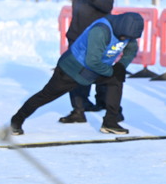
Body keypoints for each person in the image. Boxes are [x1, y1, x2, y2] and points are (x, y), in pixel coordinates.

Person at [10, 12, 144, 136]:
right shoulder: (100, 31)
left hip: (94, 71)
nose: (125, 39)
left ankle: (110, 122)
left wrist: (120, 66)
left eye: (128, 38)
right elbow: (92, 62)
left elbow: (132, 49)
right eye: (123, 37)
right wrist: (111, 71)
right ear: (120, 28)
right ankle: (16, 120)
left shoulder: (128, 32)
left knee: (116, 80)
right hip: (71, 69)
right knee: (45, 96)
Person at [56, 0, 116, 121]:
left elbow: (109, 0)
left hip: (100, 25)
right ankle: (78, 108)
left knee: (99, 64)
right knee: (76, 66)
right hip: (80, 24)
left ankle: (99, 101)